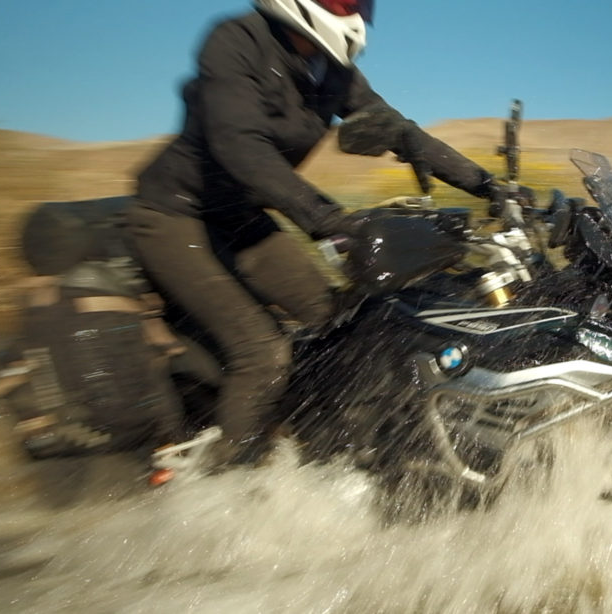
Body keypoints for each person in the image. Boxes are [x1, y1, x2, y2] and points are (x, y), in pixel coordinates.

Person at [126, 0, 501, 462]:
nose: (354, 13)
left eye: (359, 4)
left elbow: (402, 133)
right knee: (262, 353)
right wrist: (331, 222)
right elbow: (240, 147)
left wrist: (489, 186)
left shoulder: (331, 70)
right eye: (343, 3)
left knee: (338, 318)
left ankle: (316, 442)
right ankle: (219, 488)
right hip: (174, 216)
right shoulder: (236, 41)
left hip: (239, 219)